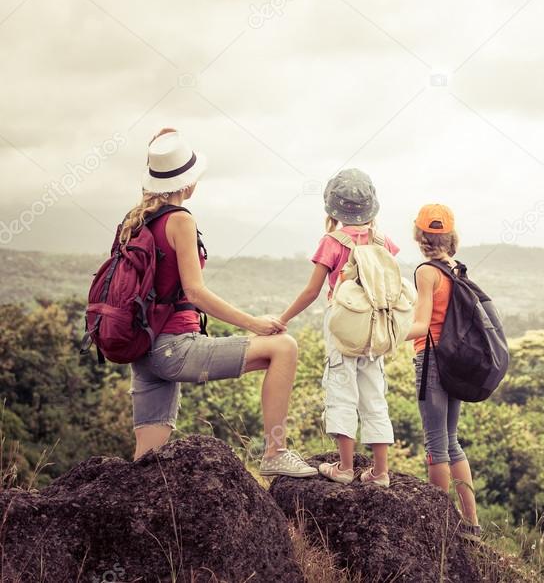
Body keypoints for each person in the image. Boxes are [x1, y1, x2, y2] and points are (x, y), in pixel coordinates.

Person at [128, 128, 316, 478]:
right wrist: (253, 323)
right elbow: (195, 293)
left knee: (146, 465)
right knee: (284, 348)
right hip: (174, 350)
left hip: (143, 352)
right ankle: (275, 452)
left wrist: (158, 150)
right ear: (187, 184)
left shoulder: (137, 220)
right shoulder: (179, 220)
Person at [279, 168, 399, 487]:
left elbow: (311, 291)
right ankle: (380, 472)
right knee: (374, 394)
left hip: (343, 328)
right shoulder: (382, 240)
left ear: (332, 207)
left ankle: (345, 467)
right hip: (375, 329)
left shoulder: (331, 242)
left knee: (341, 391)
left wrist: (282, 319)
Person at [407, 204, 481, 540]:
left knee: (436, 444)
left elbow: (421, 324)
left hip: (432, 359)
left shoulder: (426, 271)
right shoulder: (457, 268)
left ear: (420, 234)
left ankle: (439, 526)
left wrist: (385, 333)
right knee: (452, 442)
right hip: (456, 362)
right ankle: (471, 523)